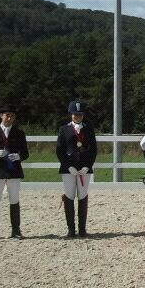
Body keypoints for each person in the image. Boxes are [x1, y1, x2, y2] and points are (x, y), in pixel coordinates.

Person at [0, 104, 29, 240]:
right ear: (1, 116)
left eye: (12, 116)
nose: (9, 118)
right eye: (7, 115)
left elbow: (25, 153)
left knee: (14, 200)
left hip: (13, 171)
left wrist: (19, 156)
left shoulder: (19, 133)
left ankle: (15, 230)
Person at [56, 100, 98, 238]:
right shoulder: (64, 129)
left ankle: (82, 229)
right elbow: (60, 150)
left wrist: (88, 166)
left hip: (84, 168)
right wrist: (68, 166)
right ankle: (70, 229)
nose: (77, 117)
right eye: (75, 114)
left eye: (80, 114)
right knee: (69, 196)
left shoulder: (89, 129)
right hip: (69, 169)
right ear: (71, 114)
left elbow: (93, 150)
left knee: (82, 195)